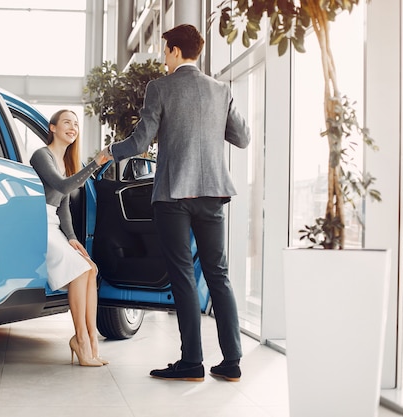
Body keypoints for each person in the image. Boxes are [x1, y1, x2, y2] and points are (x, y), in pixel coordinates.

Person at [106, 24, 250, 381]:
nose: (162, 57)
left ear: (173, 50)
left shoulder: (161, 88)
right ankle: (231, 362)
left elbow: (140, 142)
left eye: (164, 51)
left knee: (182, 277)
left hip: (173, 196)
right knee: (219, 275)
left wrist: (109, 153)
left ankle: (192, 362)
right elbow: (243, 138)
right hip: (213, 194)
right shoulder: (221, 90)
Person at [30, 109, 111, 367]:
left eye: (76, 124)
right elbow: (63, 187)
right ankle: (81, 341)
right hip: (37, 222)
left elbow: (63, 205)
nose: (73, 127)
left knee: (90, 268)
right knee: (79, 271)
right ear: (52, 128)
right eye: (67, 122)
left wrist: (73, 238)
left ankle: (90, 340)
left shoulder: (65, 162)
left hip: (53, 222)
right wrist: (95, 163)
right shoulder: (42, 155)